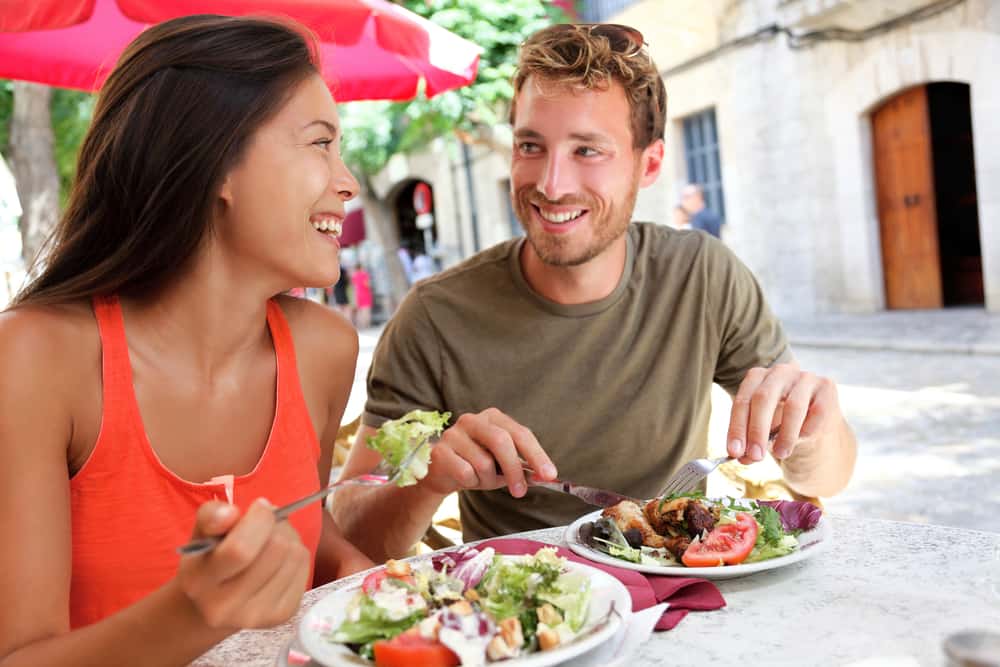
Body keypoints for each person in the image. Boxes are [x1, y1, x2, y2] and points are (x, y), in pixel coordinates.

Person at [334, 23, 856, 561]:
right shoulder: (434, 315)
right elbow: (349, 537)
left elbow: (831, 478)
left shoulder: (702, 276)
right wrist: (428, 479)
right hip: (516, 620)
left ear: (648, 164)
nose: (551, 184)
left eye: (587, 151)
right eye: (530, 146)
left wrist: (815, 429)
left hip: (678, 598)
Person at [0, 16, 374, 665]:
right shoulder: (36, 360)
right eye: (320, 143)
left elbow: (312, 540)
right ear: (214, 163)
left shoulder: (324, 350)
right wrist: (190, 613)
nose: (349, 183)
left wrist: (366, 576)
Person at [350, 263, 373, 328]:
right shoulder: (364, 274)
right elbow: (366, 284)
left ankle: (361, 325)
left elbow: (354, 286)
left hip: (358, 294)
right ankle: (367, 325)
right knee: (366, 310)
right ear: (361, 267)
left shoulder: (354, 276)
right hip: (365, 294)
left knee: (360, 311)